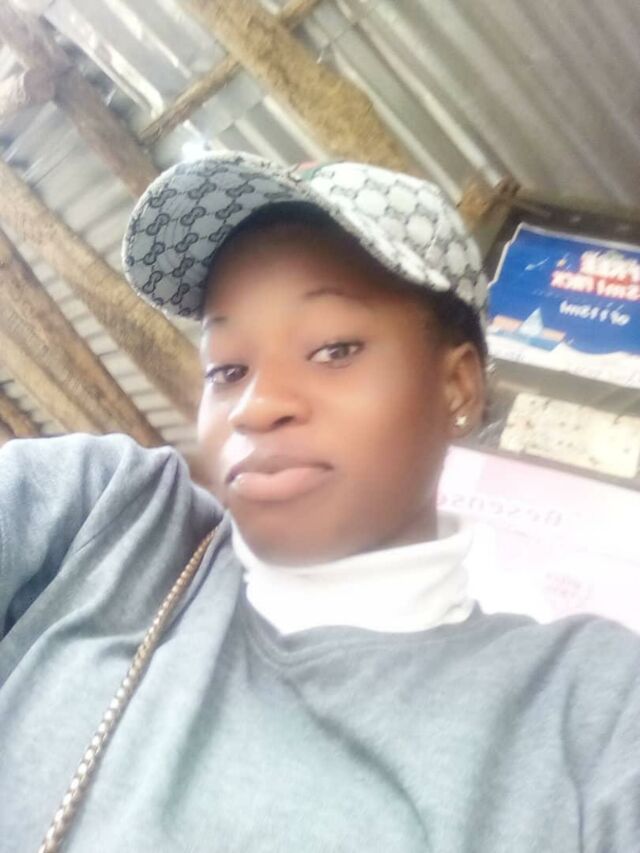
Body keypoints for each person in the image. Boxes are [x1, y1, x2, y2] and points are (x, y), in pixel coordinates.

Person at [1, 153, 638, 853]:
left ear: (457, 387)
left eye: (334, 349)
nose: (255, 406)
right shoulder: (103, 516)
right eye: (227, 368)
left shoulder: (589, 709)